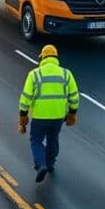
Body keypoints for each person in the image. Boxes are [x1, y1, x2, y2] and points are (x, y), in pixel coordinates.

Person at [18, 44, 79, 182]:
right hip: (58, 117)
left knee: (36, 140)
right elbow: (74, 97)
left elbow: (25, 97)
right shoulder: (66, 74)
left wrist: (23, 115)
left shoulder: (34, 74)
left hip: (39, 117)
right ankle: (50, 164)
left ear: (42, 58)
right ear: (56, 58)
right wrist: (72, 113)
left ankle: (41, 165)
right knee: (53, 139)